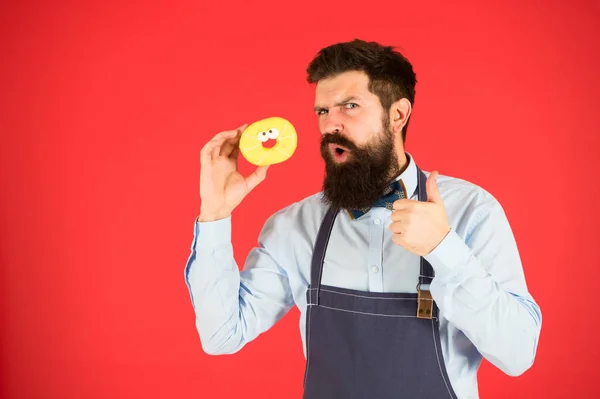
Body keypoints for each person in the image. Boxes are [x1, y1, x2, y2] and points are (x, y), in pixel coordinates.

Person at [184, 39, 542, 399]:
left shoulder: (471, 211)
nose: (330, 126)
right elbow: (222, 336)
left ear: (397, 115)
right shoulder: (295, 226)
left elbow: (517, 354)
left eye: (349, 106)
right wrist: (215, 213)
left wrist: (444, 249)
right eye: (322, 111)